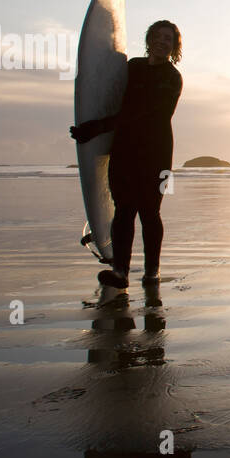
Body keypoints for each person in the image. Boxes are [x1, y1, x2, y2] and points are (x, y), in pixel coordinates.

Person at [71, 20, 183, 289]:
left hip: (156, 153)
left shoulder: (172, 78)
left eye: (168, 38)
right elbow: (109, 96)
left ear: (174, 46)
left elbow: (146, 114)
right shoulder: (131, 68)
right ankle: (120, 272)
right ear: (149, 40)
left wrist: (97, 128)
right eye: (157, 36)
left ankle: (151, 272)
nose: (162, 41)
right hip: (123, 150)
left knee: (150, 212)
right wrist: (94, 124)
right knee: (123, 210)